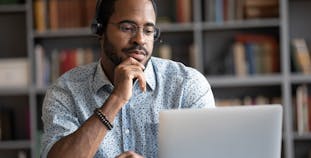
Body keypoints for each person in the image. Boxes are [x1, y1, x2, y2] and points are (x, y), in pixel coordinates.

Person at [41, 0, 215, 157]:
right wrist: (116, 99)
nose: (140, 39)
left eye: (148, 30)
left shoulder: (187, 85)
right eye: (127, 28)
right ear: (100, 30)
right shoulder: (66, 90)